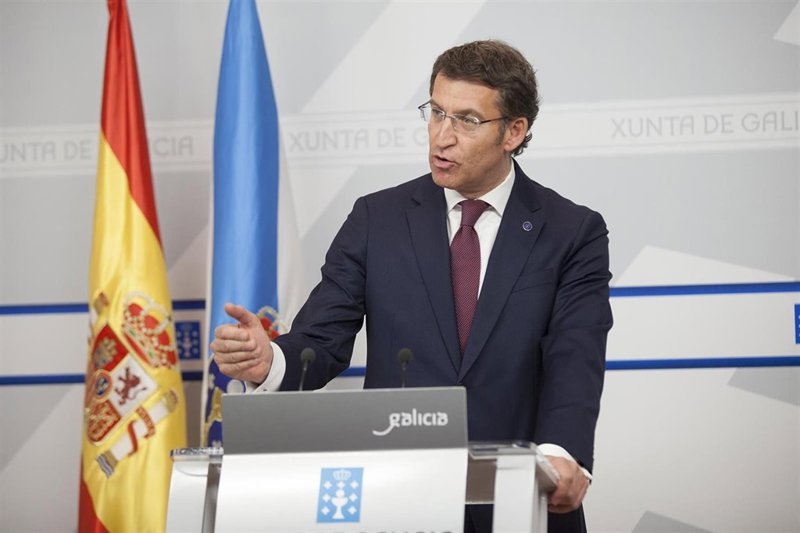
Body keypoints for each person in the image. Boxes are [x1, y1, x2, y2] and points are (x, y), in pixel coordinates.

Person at [211, 39, 612, 533]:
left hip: (523, 497)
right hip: (400, 499)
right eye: (436, 112)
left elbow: (575, 354)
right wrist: (268, 361)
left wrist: (562, 454)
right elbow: (321, 340)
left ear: (513, 131)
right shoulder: (376, 219)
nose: (442, 136)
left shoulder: (571, 231)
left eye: (467, 120)